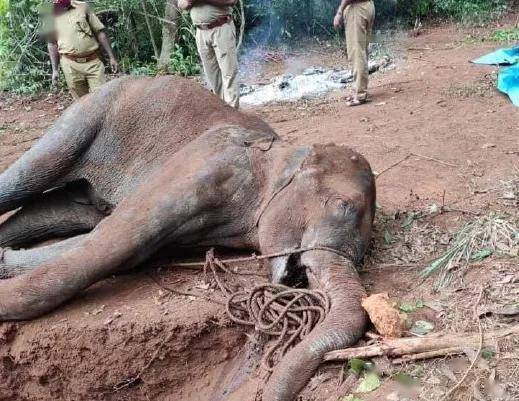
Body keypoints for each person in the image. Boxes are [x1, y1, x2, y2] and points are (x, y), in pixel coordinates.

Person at [45, 0, 119, 99]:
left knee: (101, 100)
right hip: (70, 65)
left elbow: (100, 32)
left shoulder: (83, 7)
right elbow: (52, 43)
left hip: (93, 63)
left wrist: (112, 57)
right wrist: (55, 70)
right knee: (80, 103)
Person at [178, 0, 240, 109]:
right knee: (212, 75)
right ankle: (222, 110)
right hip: (200, 32)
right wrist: (188, 2)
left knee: (228, 72)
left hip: (221, 28)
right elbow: (180, 4)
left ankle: (233, 114)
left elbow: (232, 1)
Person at [334, 0, 375, 106]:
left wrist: (339, 11)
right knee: (361, 51)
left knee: (357, 53)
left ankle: (360, 94)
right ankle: (359, 90)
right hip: (367, 6)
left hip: (357, 10)